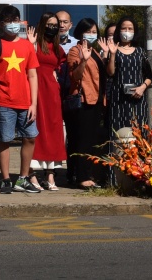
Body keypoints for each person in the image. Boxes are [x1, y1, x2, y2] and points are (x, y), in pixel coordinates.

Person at [0, 4, 40, 194]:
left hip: (25, 102)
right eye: (8, 21)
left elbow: (32, 75)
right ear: (1, 23)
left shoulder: (26, 45)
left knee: (30, 137)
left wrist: (34, 104)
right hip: (4, 101)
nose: (12, 24)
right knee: (4, 140)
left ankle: (22, 178)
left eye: (15, 20)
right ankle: (5, 179)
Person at [66, 18, 107, 190]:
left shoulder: (96, 52)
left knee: (91, 140)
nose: (91, 35)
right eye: (88, 31)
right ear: (80, 33)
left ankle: (85, 174)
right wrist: (83, 60)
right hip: (84, 101)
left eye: (94, 31)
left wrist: (106, 55)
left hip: (97, 100)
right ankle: (81, 176)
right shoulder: (75, 51)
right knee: (81, 140)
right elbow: (75, 76)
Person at [29, 12, 67, 190]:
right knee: (35, 131)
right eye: (49, 24)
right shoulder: (34, 43)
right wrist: (29, 44)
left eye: (55, 25)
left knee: (53, 130)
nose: (52, 28)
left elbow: (61, 67)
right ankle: (31, 174)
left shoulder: (58, 48)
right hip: (35, 91)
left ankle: (51, 175)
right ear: (42, 25)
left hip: (52, 92)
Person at [101, 16, 151, 138]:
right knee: (118, 133)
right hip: (118, 99)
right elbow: (110, 72)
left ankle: (140, 157)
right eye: (124, 28)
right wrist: (112, 54)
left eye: (130, 28)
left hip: (138, 98)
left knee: (139, 132)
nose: (127, 31)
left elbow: (149, 76)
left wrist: (142, 88)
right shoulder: (114, 50)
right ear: (119, 31)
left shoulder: (140, 51)